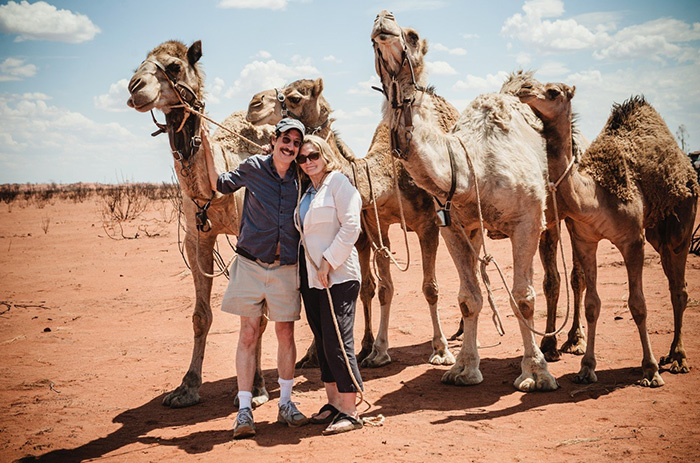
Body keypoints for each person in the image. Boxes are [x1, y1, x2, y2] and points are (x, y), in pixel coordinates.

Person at [204, 117, 309, 439]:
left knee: (286, 334)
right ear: (274, 140)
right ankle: (245, 409)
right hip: (250, 264)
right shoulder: (253, 167)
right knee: (248, 334)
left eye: (295, 142)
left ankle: (286, 404)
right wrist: (207, 148)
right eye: (285, 140)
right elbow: (219, 185)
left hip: (286, 267)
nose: (289, 147)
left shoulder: (301, 177)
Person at [294, 135, 364, 435]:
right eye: (302, 158)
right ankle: (333, 403)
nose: (308, 162)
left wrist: (328, 262)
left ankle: (350, 409)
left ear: (324, 155)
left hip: (339, 275)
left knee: (338, 340)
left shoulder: (338, 183)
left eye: (313, 156)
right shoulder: (307, 191)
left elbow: (351, 226)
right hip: (311, 278)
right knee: (322, 339)